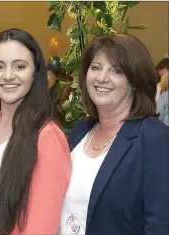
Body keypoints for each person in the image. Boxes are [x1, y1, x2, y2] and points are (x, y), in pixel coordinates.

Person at [0, 28, 71, 235]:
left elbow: (41, 227)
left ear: (35, 73)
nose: (8, 76)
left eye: (20, 66)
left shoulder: (47, 136)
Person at [60, 33, 169, 235]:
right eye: (96, 67)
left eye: (116, 71)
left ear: (135, 80)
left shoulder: (155, 139)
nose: (102, 78)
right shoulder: (80, 132)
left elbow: (161, 225)